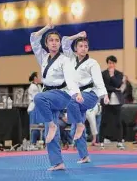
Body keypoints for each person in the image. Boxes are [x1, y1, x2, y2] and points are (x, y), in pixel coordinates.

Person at [31, 24, 80, 171]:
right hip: (49, 94)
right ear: (46, 44)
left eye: (56, 40)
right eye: (51, 40)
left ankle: (52, 124)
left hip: (61, 94)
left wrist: (76, 93)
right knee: (49, 133)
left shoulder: (65, 60)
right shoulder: (43, 57)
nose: (54, 42)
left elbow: (71, 79)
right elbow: (34, 38)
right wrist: (46, 28)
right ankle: (58, 163)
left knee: (38, 98)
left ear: (59, 43)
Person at [62, 31, 109, 163]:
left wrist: (104, 94)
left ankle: (79, 125)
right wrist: (77, 36)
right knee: (74, 133)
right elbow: (65, 41)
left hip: (90, 95)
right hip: (77, 96)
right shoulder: (70, 59)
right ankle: (84, 156)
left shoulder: (92, 63)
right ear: (75, 48)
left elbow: (99, 80)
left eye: (86, 46)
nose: (83, 48)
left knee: (71, 103)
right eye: (81, 46)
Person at [27, 72, 43, 145]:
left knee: (40, 126)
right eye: (38, 77)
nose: (40, 78)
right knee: (34, 126)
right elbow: (36, 98)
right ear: (35, 78)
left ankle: (40, 141)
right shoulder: (32, 87)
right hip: (33, 107)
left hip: (39, 107)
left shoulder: (39, 86)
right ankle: (32, 142)